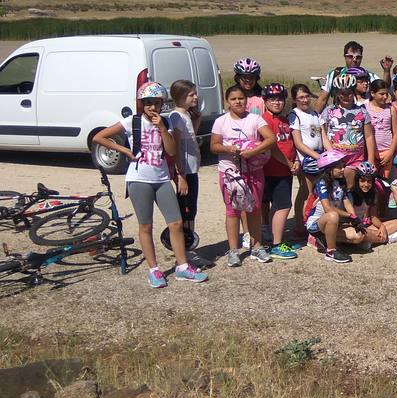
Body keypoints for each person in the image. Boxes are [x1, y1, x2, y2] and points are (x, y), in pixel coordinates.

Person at [93, 80, 208, 288]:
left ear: (162, 103)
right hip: (139, 179)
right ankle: (154, 270)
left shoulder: (167, 121)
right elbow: (99, 137)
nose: (152, 107)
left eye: (156, 102)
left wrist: (163, 128)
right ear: (141, 103)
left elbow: (172, 151)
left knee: (175, 223)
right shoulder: (132, 122)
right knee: (145, 225)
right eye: (148, 103)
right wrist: (125, 151)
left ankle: (182, 267)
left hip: (162, 178)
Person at [210, 84, 277, 267]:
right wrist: (228, 148)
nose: (238, 101)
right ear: (228, 102)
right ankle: (233, 250)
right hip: (230, 172)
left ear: (246, 100)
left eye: (241, 98)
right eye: (233, 99)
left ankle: (256, 247)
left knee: (254, 209)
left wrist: (253, 151)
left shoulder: (255, 119)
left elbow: (271, 139)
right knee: (233, 211)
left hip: (254, 171)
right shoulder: (221, 121)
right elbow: (213, 145)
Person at [260, 82, 299, 259]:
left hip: (285, 170)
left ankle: (275, 239)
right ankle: (276, 244)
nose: (277, 103)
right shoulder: (264, 120)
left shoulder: (284, 120)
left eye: (280, 99)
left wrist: (296, 159)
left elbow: (291, 144)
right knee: (282, 206)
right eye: (272, 99)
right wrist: (289, 164)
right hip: (271, 169)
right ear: (265, 101)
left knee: (279, 206)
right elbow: (273, 148)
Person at [165, 79, 203, 255]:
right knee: (186, 210)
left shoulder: (186, 115)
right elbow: (177, 148)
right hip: (185, 171)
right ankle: (186, 248)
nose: (196, 97)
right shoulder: (176, 116)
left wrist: (197, 120)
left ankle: (189, 246)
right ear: (180, 97)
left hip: (192, 169)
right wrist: (180, 175)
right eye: (191, 95)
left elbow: (190, 137)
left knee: (191, 208)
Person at [322, 72, 376, 194]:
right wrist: (330, 153)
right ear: (337, 94)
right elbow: (324, 134)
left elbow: (368, 136)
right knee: (334, 190)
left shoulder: (362, 111)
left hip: (355, 159)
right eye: (342, 94)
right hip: (334, 158)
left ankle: (350, 212)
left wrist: (371, 159)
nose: (346, 97)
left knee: (350, 189)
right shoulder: (329, 111)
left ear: (354, 92)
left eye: (349, 93)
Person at [306, 153, 360, 263]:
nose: (343, 169)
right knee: (332, 215)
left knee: (358, 236)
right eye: (339, 167)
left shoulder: (340, 182)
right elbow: (327, 208)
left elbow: (347, 202)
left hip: (330, 222)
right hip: (316, 223)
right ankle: (330, 252)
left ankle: (321, 241)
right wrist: (349, 216)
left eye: (343, 166)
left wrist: (355, 218)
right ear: (329, 169)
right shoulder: (321, 183)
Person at [289, 84, 324, 237]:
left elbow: (323, 136)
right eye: (300, 97)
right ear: (295, 100)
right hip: (306, 159)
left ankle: (309, 222)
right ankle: (301, 224)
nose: (305, 100)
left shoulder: (315, 113)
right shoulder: (294, 115)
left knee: (316, 191)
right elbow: (298, 142)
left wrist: (329, 154)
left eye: (306, 96)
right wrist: (316, 156)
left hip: (320, 156)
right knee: (306, 192)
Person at [347, 162, 397, 245]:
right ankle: (386, 239)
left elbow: (373, 216)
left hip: (366, 226)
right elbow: (350, 220)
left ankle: (371, 240)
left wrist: (382, 226)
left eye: (369, 181)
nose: (366, 184)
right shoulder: (350, 194)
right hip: (354, 226)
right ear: (357, 181)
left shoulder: (373, 193)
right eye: (362, 181)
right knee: (360, 234)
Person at [366, 80, 397, 174]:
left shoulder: (390, 109)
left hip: (386, 151)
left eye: (386, 94)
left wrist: (390, 152)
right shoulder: (365, 108)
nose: (385, 97)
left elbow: (396, 133)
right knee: (370, 179)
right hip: (369, 152)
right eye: (381, 94)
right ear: (372, 93)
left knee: (384, 182)